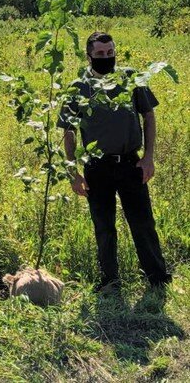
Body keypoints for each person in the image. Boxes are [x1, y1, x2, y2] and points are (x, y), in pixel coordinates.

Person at [59, 31, 171, 291]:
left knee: (143, 223)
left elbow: (149, 115)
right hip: (97, 167)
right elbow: (68, 130)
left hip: (131, 164)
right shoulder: (78, 88)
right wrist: (73, 173)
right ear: (88, 56)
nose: (106, 58)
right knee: (104, 227)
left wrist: (149, 158)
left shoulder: (131, 78)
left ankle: (157, 278)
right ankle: (110, 282)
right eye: (100, 54)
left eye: (110, 53)